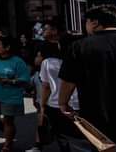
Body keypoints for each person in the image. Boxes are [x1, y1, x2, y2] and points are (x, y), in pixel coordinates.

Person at [59, 4, 116, 145]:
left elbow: (68, 81)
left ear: (95, 23)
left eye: (86, 22)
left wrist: (63, 103)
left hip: (96, 116)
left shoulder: (80, 46)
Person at [34, 19, 80, 152]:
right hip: (79, 104)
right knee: (82, 136)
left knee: (63, 137)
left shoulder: (47, 63)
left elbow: (46, 86)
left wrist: (42, 105)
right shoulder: (83, 60)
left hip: (55, 104)